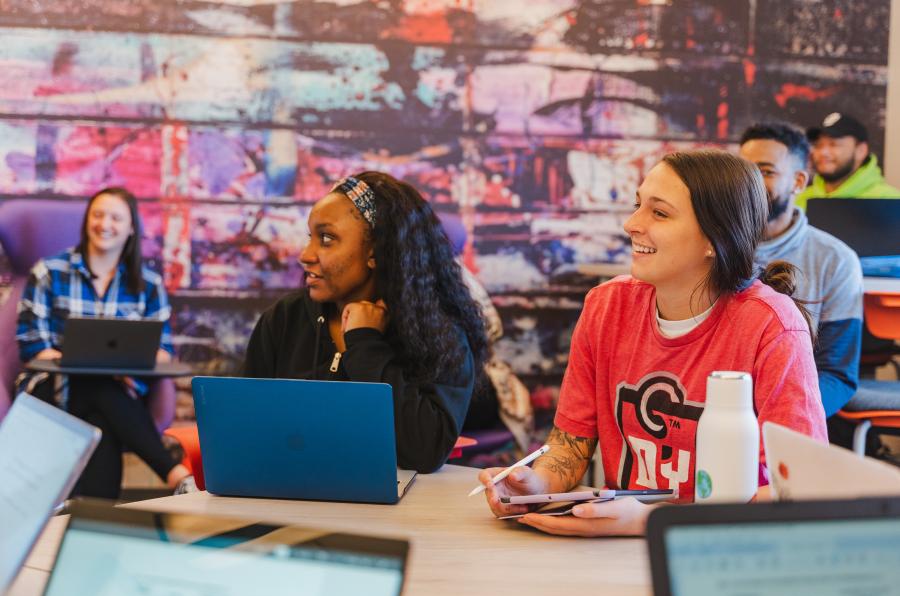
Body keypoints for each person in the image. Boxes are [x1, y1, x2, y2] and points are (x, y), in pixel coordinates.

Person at [479, 150, 828, 536]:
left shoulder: (772, 326)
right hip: (615, 550)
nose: (631, 224)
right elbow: (569, 446)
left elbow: (798, 492)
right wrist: (535, 486)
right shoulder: (606, 306)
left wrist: (652, 521)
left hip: (729, 551)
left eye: (659, 213)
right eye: (637, 205)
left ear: (715, 238)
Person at [242, 172, 488, 473]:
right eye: (311, 237)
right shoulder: (284, 319)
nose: (305, 255)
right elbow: (246, 430)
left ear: (374, 251)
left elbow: (425, 452)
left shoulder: (436, 332)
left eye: (327, 239)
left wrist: (365, 342)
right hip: (290, 501)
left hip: (393, 514)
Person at [16, 187, 194, 498]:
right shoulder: (49, 271)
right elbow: (33, 346)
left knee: (103, 414)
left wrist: (124, 364)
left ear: (131, 228)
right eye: (98, 215)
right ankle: (172, 471)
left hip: (115, 397)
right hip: (52, 390)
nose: (105, 223)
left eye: (116, 217)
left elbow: (163, 353)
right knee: (99, 384)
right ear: (87, 221)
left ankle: (90, 520)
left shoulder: (148, 284)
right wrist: (79, 363)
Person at [739, 123, 863, 420]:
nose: (751, 183)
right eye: (745, 172)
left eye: (766, 171)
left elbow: (837, 373)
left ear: (798, 181)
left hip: (789, 418)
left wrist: (782, 419)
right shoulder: (709, 248)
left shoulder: (836, 260)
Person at [795, 112, 900, 211]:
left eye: (834, 144)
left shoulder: (891, 202)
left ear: (861, 150)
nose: (823, 152)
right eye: (818, 145)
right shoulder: (798, 200)